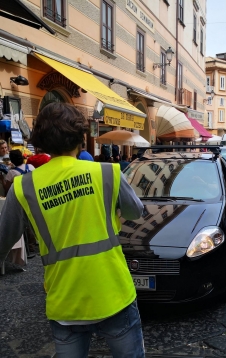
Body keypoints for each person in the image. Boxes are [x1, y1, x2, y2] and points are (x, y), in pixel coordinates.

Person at [0, 103, 145, 357]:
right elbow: (135, 212)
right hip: (113, 293)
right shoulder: (107, 173)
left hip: (65, 300)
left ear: (41, 142)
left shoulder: (24, 187)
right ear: (81, 138)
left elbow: (3, 242)